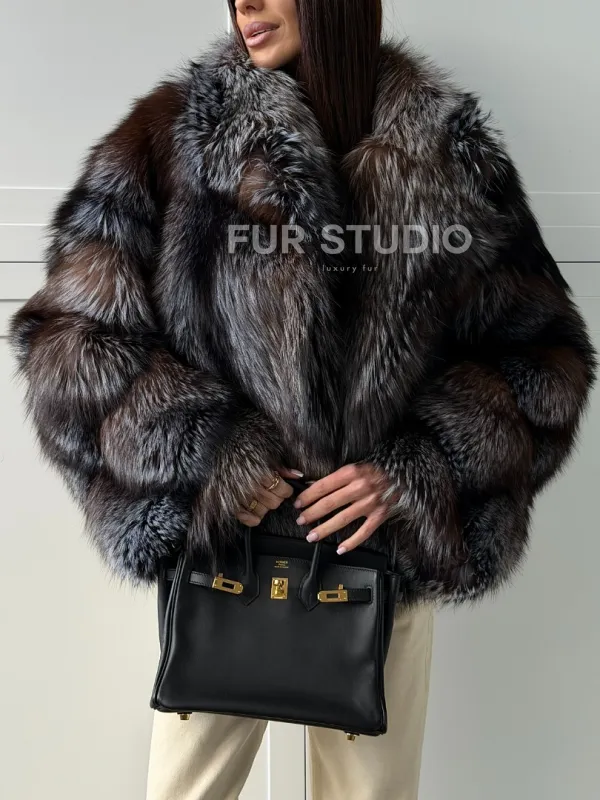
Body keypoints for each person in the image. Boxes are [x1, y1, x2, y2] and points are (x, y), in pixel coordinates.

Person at [8, 0, 596, 798]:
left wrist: (419, 469)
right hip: (224, 555)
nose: (245, 3)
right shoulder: (173, 138)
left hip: (380, 555)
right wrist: (209, 457)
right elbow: (70, 341)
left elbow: (544, 358)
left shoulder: (451, 157)